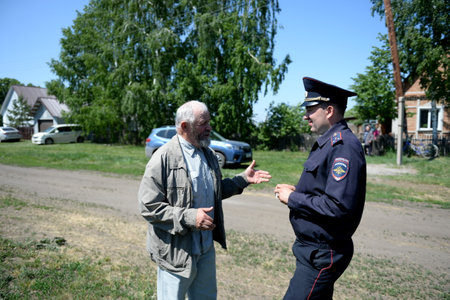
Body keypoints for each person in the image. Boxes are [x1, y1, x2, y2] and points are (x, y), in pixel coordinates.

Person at [138, 100, 271, 300]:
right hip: (176, 253)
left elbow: (214, 191)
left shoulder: (207, 154)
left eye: (209, 122)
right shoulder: (163, 158)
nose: (209, 128)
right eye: (203, 123)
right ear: (184, 126)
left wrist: (243, 180)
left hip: (205, 248)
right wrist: (190, 217)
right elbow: (149, 207)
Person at [274, 77, 366, 299]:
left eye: (311, 109)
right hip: (313, 250)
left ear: (330, 110)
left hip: (322, 253)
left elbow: (337, 205)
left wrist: (293, 199)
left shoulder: (343, 147)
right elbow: (324, 191)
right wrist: (296, 191)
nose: (306, 115)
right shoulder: (330, 141)